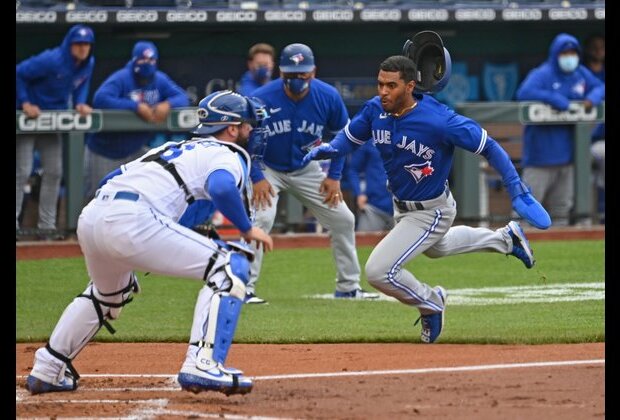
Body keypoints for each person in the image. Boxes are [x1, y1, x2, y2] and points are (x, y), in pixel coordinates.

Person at [303, 31, 551, 344]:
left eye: (391, 85)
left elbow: (490, 147)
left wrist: (517, 189)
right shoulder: (374, 110)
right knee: (439, 248)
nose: (383, 91)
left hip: (431, 210)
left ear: (410, 85)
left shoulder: (440, 119)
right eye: (380, 84)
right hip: (402, 206)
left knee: (379, 271)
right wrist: (331, 148)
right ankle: (505, 238)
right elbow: (349, 138)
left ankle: (430, 302)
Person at [25, 90, 273, 396]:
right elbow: (221, 187)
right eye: (248, 125)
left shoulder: (175, 147)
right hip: (132, 219)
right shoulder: (226, 153)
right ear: (232, 129)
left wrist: (158, 236)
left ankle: (48, 368)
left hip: (93, 215)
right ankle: (203, 363)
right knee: (229, 267)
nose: (253, 132)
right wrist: (247, 228)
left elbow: (114, 178)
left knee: (108, 294)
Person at [246, 42, 379, 304]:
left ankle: (348, 287)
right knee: (260, 219)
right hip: (268, 167)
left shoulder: (327, 96)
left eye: (302, 74)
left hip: (307, 167)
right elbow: (244, 141)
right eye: (291, 74)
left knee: (343, 219)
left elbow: (344, 137)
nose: (297, 79)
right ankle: (243, 288)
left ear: (313, 72)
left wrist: (334, 176)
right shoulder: (262, 97)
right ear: (281, 72)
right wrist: (257, 176)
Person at [515, 33, 605, 226]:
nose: (569, 57)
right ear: (556, 54)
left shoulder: (579, 73)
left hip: (567, 158)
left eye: (573, 52)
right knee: (527, 209)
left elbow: (600, 87)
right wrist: (553, 98)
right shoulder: (543, 73)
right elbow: (524, 92)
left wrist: (592, 99)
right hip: (540, 157)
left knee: (561, 209)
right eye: (565, 53)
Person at [16, 24, 95, 240]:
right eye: (78, 44)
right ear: (70, 44)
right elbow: (19, 74)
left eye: (86, 44)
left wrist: (79, 103)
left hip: (53, 120)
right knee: (22, 171)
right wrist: (25, 102)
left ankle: (47, 228)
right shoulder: (51, 60)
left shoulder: (88, 63)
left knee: (54, 172)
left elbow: (82, 85)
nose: (83, 49)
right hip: (30, 119)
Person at [83, 40, 190, 200]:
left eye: (151, 60)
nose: (147, 64)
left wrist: (168, 104)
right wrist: (135, 107)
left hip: (134, 150)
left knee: (144, 193)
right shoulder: (123, 77)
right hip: (105, 150)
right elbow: (101, 98)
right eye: (143, 60)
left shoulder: (159, 79)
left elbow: (182, 97)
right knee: (98, 196)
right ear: (134, 60)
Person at [583, 33, 605, 224]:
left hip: (599, 140)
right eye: (595, 47)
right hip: (580, 139)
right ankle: (586, 217)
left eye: (602, 47)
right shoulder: (580, 72)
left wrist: (593, 99)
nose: (599, 51)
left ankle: (600, 213)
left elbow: (600, 88)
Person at [348, 141, 394, 232]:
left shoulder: (408, 136)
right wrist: (359, 193)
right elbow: (353, 170)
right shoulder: (369, 139)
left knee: (407, 245)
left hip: (401, 206)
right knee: (363, 243)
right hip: (373, 205)